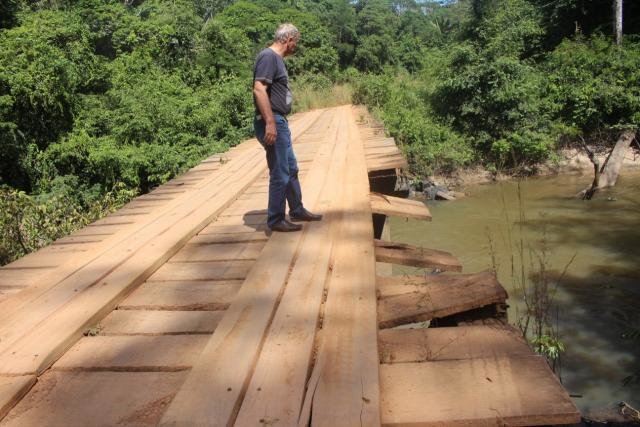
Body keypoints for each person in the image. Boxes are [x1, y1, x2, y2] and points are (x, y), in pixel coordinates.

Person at [252, 23, 322, 232]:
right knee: (280, 172)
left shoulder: (277, 59)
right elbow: (258, 89)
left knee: (291, 168)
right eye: (296, 42)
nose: (296, 46)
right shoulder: (268, 56)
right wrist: (271, 123)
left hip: (279, 120)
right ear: (288, 39)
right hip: (271, 121)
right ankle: (275, 220)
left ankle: (297, 209)